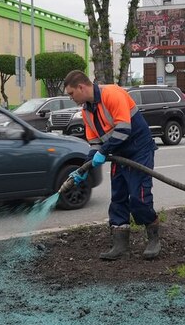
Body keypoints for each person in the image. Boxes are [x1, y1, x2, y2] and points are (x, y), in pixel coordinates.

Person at [63, 70, 160, 260]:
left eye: (71, 93)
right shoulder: (86, 112)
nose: (70, 98)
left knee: (139, 198)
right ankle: (120, 245)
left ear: (81, 87)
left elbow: (123, 129)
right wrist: (85, 167)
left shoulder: (112, 94)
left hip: (139, 151)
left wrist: (102, 152)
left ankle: (154, 237)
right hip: (117, 153)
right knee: (118, 197)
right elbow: (95, 144)